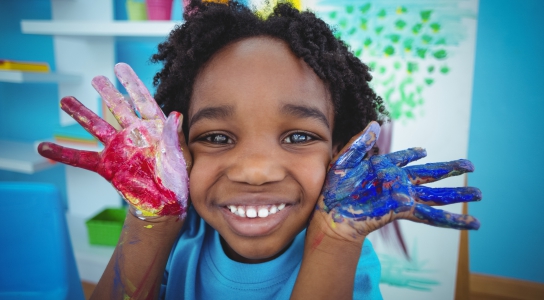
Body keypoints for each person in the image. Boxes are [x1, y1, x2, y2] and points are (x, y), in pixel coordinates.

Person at [38, 1, 482, 299]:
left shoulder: (348, 250)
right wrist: (150, 222)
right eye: (216, 137)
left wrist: (337, 241)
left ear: (340, 151)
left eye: (298, 136)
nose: (254, 171)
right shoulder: (181, 234)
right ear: (180, 152)